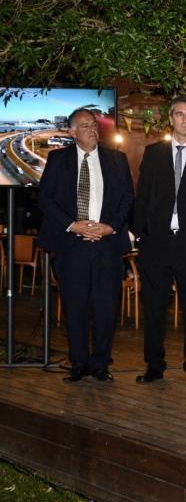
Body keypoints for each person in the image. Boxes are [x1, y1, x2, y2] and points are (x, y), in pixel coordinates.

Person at [38, 108, 134, 382]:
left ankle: (101, 364)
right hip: (71, 246)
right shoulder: (58, 159)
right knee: (75, 307)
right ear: (72, 133)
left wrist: (110, 227)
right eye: (85, 125)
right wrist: (73, 224)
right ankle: (79, 363)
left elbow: (127, 198)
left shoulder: (117, 159)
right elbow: (46, 200)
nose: (92, 129)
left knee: (106, 309)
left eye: (94, 125)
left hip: (107, 246)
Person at [133, 95, 186, 385]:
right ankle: (153, 365)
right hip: (155, 244)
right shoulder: (153, 153)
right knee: (154, 308)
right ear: (170, 118)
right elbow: (141, 197)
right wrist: (140, 235)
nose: (184, 119)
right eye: (179, 114)